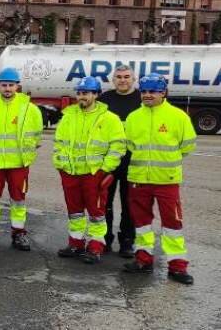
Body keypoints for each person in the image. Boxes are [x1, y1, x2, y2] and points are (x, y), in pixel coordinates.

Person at [122, 74, 195, 285]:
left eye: (152, 91)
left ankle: (177, 266)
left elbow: (187, 145)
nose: (147, 95)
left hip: (167, 180)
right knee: (142, 223)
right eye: (144, 91)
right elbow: (130, 146)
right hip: (138, 178)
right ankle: (143, 259)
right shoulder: (134, 117)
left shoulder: (178, 116)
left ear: (163, 93)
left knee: (172, 223)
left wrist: (166, 161)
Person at [53, 77, 126, 264]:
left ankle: (95, 247)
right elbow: (59, 142)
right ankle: (76, 243)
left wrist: (105, 169)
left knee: (96, 213)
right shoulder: (69, 115)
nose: (81, 97)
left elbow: (118, 146)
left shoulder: (110, 119)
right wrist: (60, 163)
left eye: (85, 93)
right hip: (70, 173)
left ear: (96, 94)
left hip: (94, 174)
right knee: (75, 211)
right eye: (79, 93)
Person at [0, 67, 43, 251]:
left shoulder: (29, 108)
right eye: (4, 85)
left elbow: (37, 135)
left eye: (11, 85)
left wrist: (29, 154)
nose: (7, 88)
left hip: (18, 163)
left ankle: (19, 234)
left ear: (17, 86)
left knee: (18, 200)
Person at [97, 64, 141, 257]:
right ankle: (104, 240)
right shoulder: (104, 100)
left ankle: (127, 242)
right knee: (104, 203)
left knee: (129, 205)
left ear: (134, 79)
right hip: (109, 163)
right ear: (113, 80)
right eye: (119, 77)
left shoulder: (142, 99)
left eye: (126, 77)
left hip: (133, 163)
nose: (122, 80)